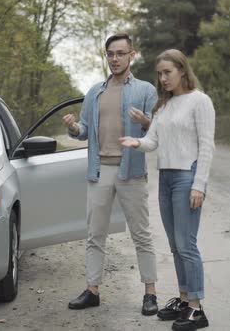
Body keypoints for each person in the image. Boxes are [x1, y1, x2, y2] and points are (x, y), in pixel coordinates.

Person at [62, 33, 159, 315]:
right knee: (95, 234)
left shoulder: (145, 90)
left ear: (132, 55)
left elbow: (157, 131)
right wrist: (72, 128)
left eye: (120, 53)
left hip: (131, 171)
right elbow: (82, 131)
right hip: (100, 170)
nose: (115, 59)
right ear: (106, 57)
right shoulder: (95, 92)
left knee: (141, 234)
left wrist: (146, 122)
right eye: (110, 54)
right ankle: (92, 291)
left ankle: (150, 293)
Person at [119, 49, 215, 331]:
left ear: (182, 71)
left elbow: (207, 146)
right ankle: (185, 300)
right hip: (166, 179)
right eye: (159, 74)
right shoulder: (164, 106)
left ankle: (197, 309)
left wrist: (199, 185)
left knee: (187, 245)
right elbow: (152, 141)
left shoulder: (200, 101)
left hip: (188, 177)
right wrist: (136, 142)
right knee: (175, 246)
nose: (162, 79)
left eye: (167, 72)